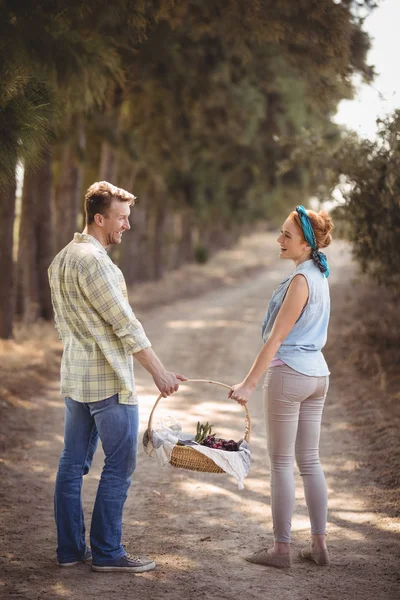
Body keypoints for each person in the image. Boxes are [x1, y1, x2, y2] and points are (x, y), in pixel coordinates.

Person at [48, 181, 186, 573]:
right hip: (107, 383)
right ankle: (108, 553)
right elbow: (126, 325)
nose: (127, 226)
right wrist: (159, 373)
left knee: (72, 463)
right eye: (121, 218)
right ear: (99, 217)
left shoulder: (61, 259)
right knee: (120, 465)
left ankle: (70, 552)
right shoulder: (94, 262)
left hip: (77, 379)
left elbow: (70, 325)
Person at [229, 206, 333, 569]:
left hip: (290, 375)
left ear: (306, 244)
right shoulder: (319, 275)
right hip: (317, 375)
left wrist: (248, 383)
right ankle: (319, 547)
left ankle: (281, 550)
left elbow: (276, 339)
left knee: (282, 464)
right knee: (310, 461)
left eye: (287, 235)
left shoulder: (301, 280)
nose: (280, 240)